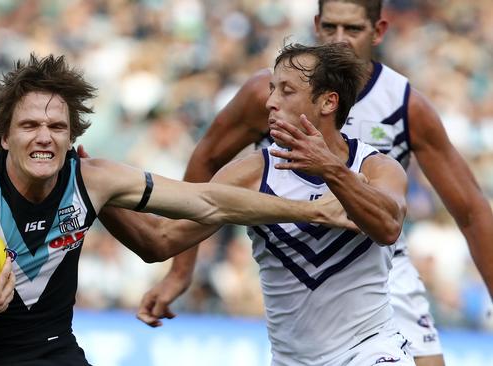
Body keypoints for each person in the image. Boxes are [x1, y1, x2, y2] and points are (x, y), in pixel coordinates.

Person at [0, 53, 354, 366]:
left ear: (72, 135)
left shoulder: (93, 178)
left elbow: (206, 199)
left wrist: (310, 210)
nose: (44, 136)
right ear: (5, 136)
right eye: (29, 125)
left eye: (56, 126)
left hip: (55, 352)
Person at [120, 1, 493, 365]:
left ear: (378, 31)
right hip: (294, 348)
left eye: (352, 28)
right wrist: (97, 192)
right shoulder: (251, 165)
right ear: (316, 24)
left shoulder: (398, 117)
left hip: (379, 292)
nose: (339, 39)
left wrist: (331, 168)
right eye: (330, 27)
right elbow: (170, 225)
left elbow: (439, 216)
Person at [96, 42, 413, 365]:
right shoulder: (250, 173)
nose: (270, 101)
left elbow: (387, 227)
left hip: (372, 351)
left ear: (329, 101)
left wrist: (330, 169)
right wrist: (97, 194)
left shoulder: (376, 168)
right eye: (272, 89)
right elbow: (159, 242)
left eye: (286, 91)